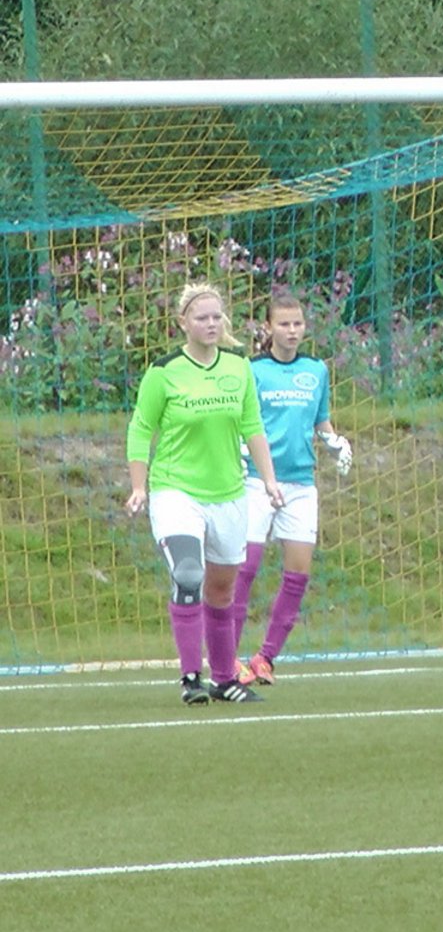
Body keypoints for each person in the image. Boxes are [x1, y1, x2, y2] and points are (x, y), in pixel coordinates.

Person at [125, 283, 284, 706]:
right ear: (183, 324)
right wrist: (139, 486)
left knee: (221, 590)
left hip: (229, 494)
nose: (211, 324)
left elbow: (252, 426)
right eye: (201, 317)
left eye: (217, 317)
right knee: (189, 574)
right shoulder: (164, 372)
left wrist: (269, 481)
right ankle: (191, 678)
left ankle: (225, 678)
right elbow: (142, 428)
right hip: (177, 492)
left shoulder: (238, 367)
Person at [226, 292, 353, 686]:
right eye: (283, 324)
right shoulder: (251, 370)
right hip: (256, 480)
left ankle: (265, 657)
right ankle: (227, 660)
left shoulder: (316, 371)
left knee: (297, 574)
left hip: (301, 484)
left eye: (297, 323)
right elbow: (238, 420)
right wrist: (242, 446)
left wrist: (335, 442)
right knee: (244, 569)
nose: (292, 330)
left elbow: (321, 422)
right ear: (268, 327)